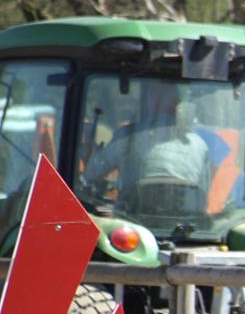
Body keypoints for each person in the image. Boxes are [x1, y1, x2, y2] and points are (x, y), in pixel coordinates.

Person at [84, 82, 211, 215]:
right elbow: (203, 194)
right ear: (177, 103)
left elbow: (92, 175)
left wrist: (91, 153)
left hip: (133, 222)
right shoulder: (199, 145)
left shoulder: (126, 137)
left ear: (149, 101)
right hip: (186, 227)